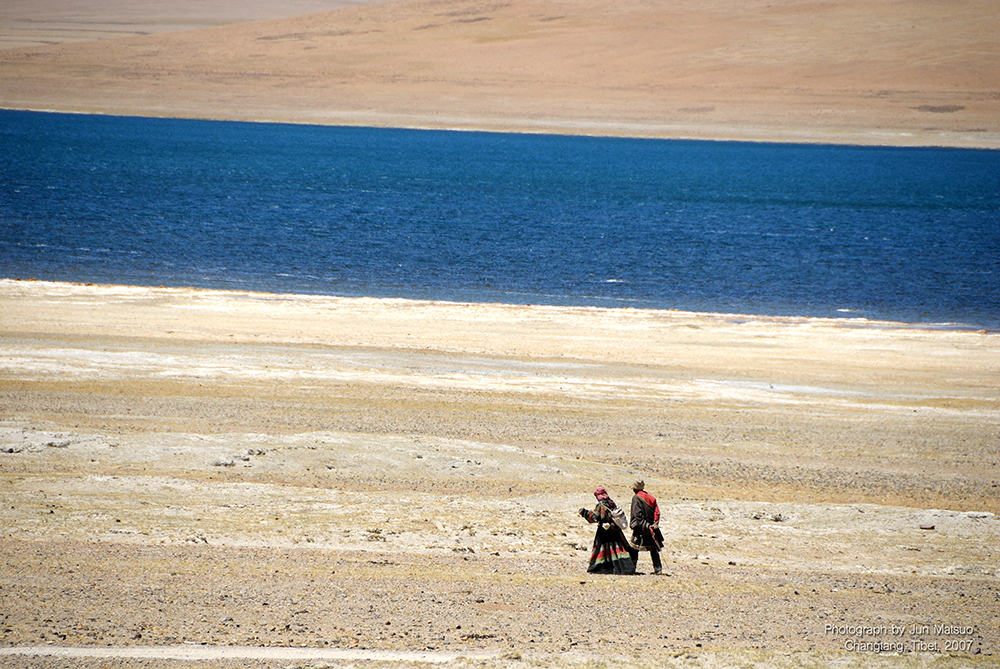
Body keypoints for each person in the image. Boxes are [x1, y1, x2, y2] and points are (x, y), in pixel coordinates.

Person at [578, 487, 636, 575]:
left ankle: (601, 568)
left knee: (602, 549)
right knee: (618, 549)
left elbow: (595, 517)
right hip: (615, 530)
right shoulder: (611, 502)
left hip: (604, 531)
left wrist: (584, 513)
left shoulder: (601, 505)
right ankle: (625, 568)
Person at [629, 480, 664, 574]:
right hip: (651, 527)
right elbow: (657, 512)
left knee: (634, 548)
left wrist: (645, 525)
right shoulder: (651, 498)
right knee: (654, 549)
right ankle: (658, 569)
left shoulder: (636, 498)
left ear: (635, 489)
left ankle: (631, 569)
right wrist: (654, 525)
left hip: (640, 528)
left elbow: (637, 515)